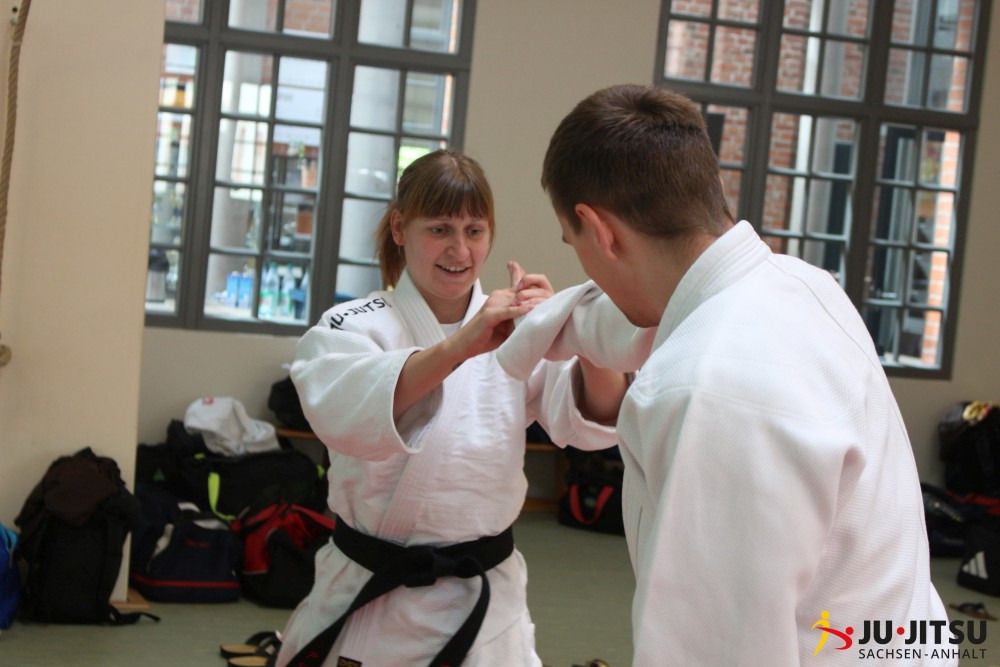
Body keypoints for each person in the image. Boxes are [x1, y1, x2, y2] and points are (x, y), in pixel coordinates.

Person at [539, 84, 954, 666]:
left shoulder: (703, 388)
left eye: (573, 242)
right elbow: (620, 320)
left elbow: (720, 650)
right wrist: (539, 327)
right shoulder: (806, 285)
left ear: (599, 229)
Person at [274, 149, 629, 667]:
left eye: (474, 231)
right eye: (439, 229)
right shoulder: (352, 325)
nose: (460, 250)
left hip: (483, 600)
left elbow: (594, 420)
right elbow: (344, 417)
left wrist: (578, 333)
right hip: (373, 596)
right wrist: (462, 345)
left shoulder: (517, 328)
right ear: (400, 228)